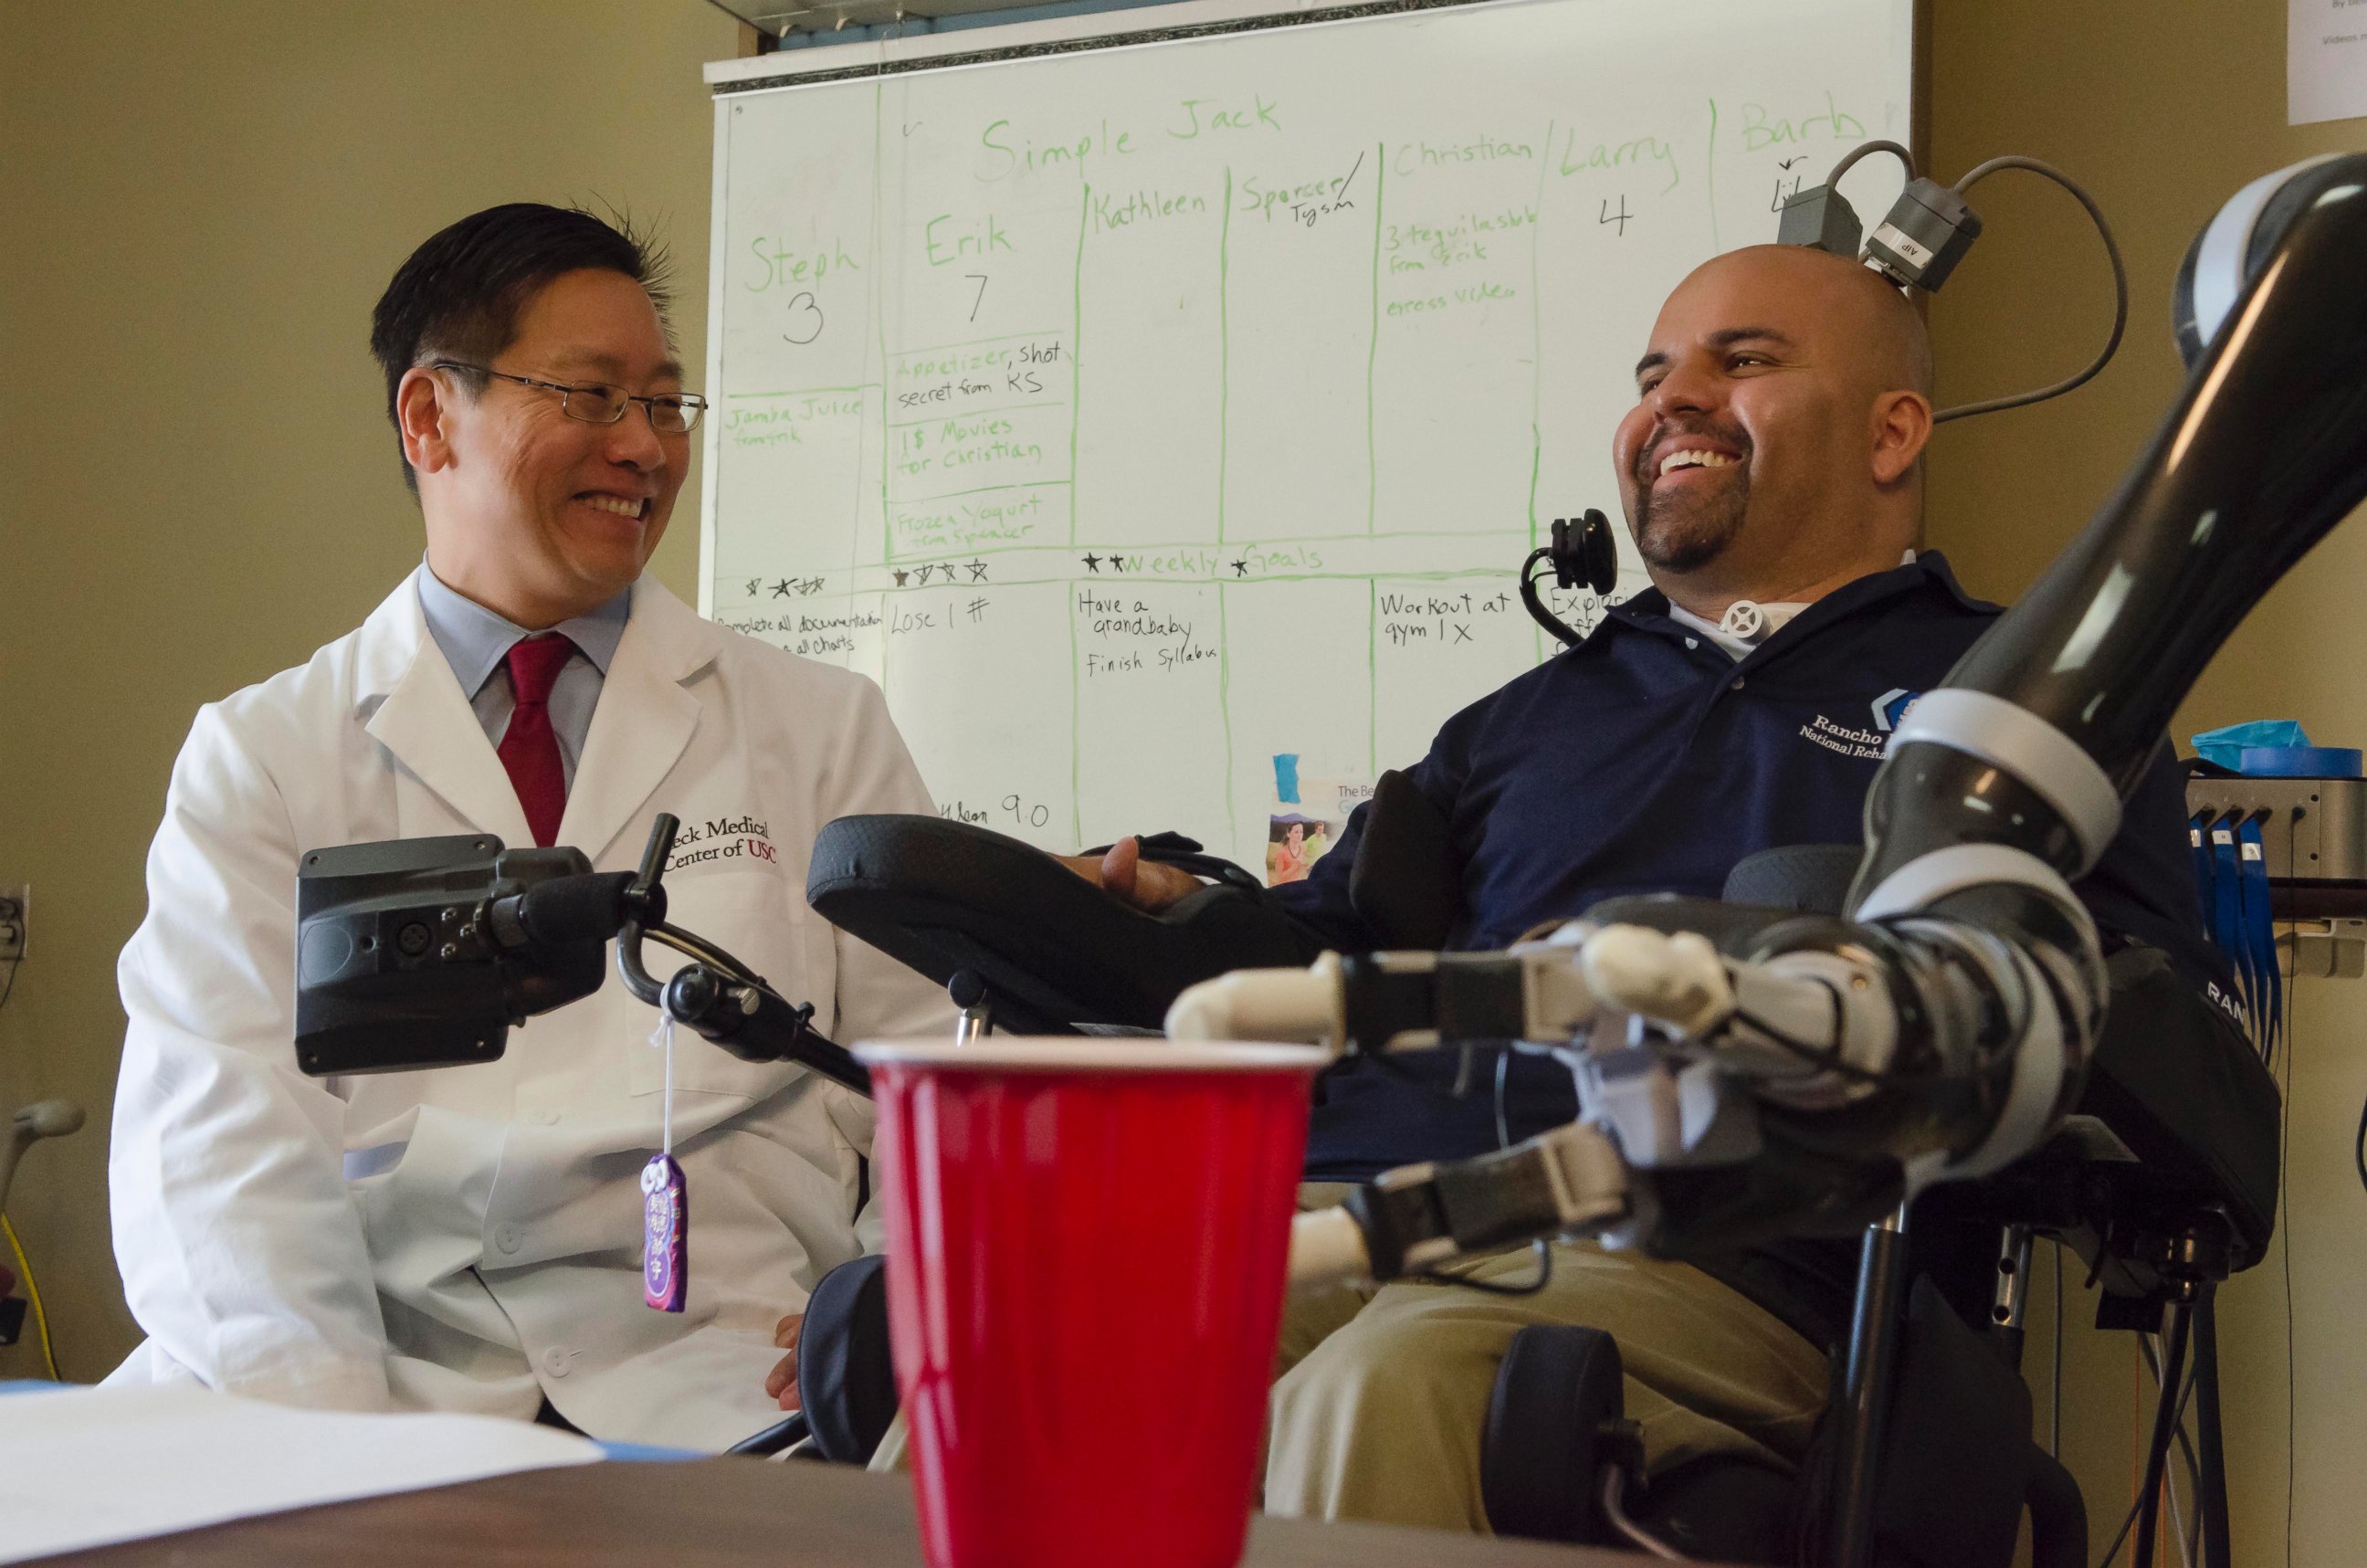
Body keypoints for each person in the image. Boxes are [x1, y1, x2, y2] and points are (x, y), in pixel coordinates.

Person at [1075, 243, 2214, 1531]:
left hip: (1741, 1250)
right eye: (1653, 374)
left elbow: (2134, 1005)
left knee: (1388, 1378)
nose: (1672, 400)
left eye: (1743, 361)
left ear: (1895, 430)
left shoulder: (2019, 707)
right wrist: (1173, 902)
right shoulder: (1524, 721)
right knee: (1058, 1339)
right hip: (1389, 1193)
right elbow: (1326, 941)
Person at [106, 205, 949, 1450]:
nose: (645, 447)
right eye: (593, 395)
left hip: (735, 1386)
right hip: (389, 1387)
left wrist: (895, 1309)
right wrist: (335, 1468)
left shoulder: (819, 729)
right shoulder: (267, 760)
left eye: (665, 405)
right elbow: (217, 1163)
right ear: (429, 417)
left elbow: (936, 1074)